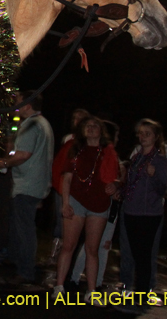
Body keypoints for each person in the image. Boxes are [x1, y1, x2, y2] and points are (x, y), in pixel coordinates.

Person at [52, 117, 119, 302]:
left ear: (101, 130)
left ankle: (91, 291)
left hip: (99, 204)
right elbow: (66, 178)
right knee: (68, 245)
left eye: (94, 126)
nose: (90, 129)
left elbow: (117, 177)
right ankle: (59, 286)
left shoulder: (108, 152)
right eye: (87, 126)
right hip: (76, 201)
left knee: (92, 248)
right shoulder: (75, 149)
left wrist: (115, 185)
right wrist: (65, 204)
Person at [0, 91, 54, 285]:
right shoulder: (43, 124)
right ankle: (17, 261)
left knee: (24, 229)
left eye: (18, 102)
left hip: (27, 185)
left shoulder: (31, 125)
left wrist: (4, 162)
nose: (15, 105)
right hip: (36, 184)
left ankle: (25, 271)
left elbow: (23, 155)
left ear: (28, 105)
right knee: (21, 226)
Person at [119, 120, 167, 293]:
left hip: (149, 213)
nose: (143, 137)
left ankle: (143, 290)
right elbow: (130, 183)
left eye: (147, 133)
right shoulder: (136, 158)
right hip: (131, 210)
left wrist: (154, 175)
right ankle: (127, 286)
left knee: (144, 254)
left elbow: (162, 189)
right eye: (140, 133)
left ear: (155, 137)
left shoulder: (161, 161)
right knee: (130, 250)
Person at [70, 120, 123, 289]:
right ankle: (77, 278)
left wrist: (117, 184)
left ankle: (93, 281)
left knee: (101, 245)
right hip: (95, 204)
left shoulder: (111, 156)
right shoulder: (99, 153)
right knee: (93, 245)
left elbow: (117, 178)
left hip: (105, 205)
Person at [51, 108, 93, 261]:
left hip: (73, 189)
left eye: (80, 118)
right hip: (60, 185)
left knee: (70, 224)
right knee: (59, 221)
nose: (76, 120)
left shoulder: (87, 142)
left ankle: (68, 258)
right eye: (74, 117)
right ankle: (56, 255)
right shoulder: (68, 139)